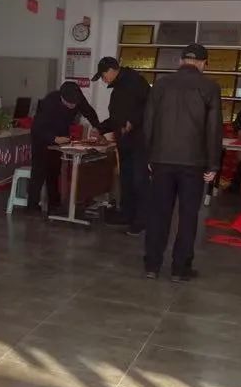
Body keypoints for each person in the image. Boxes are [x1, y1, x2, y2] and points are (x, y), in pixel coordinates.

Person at [142, 44, 222, 281]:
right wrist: (213, 164)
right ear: (203, 63)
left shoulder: (160, 84)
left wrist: (149, 156)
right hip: (193, 163)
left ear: (180, 61)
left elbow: (148, 122)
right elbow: (214, 129)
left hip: (161, 159)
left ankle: (152, 265)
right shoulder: (210, 87)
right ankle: (180, 269)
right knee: (188, 216)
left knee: (158, 213)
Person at [92, 56, 151, 235]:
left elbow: (150, 106)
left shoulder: (135, 81)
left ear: (111, 70)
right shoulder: (118, 88)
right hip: (125, 142)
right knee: (126, 180)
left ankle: (142, 220)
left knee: (139, 180)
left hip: (140, 142)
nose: (103, 80)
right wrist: (100, 128)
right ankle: (127, 214)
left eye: (103, 76)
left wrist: (133, 121)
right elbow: (116, 118)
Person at [28, 81, 100, 213]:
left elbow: (89, 112)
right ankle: (31, 206)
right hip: (43, 138)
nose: (73, 106)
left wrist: (97, 127)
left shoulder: (78, 98)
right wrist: (54, 138)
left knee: (54, 171)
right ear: (62, 97)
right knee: (39, 171)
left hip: (61, 138)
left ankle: (54, 204)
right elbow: (38, 128)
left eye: (74, 104)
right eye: (69, 104)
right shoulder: (49, 102)